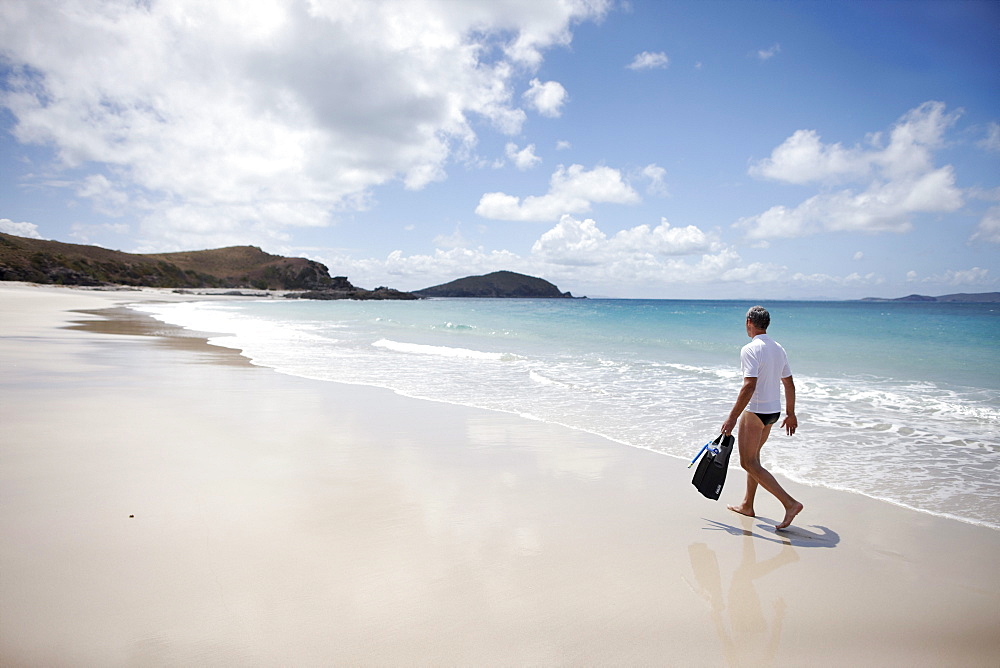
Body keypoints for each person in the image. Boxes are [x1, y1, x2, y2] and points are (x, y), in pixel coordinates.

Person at [720, 306, 802, 530]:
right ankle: (748, 505)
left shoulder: (750, 349)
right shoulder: (778, 348)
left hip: (756, 412)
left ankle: (790, 503)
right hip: (773, 413)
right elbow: (789, 383)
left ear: (749, 322)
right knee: (755, 459)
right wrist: (790, 413)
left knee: (748, 462)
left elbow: (749, 385)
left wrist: (732, 418)